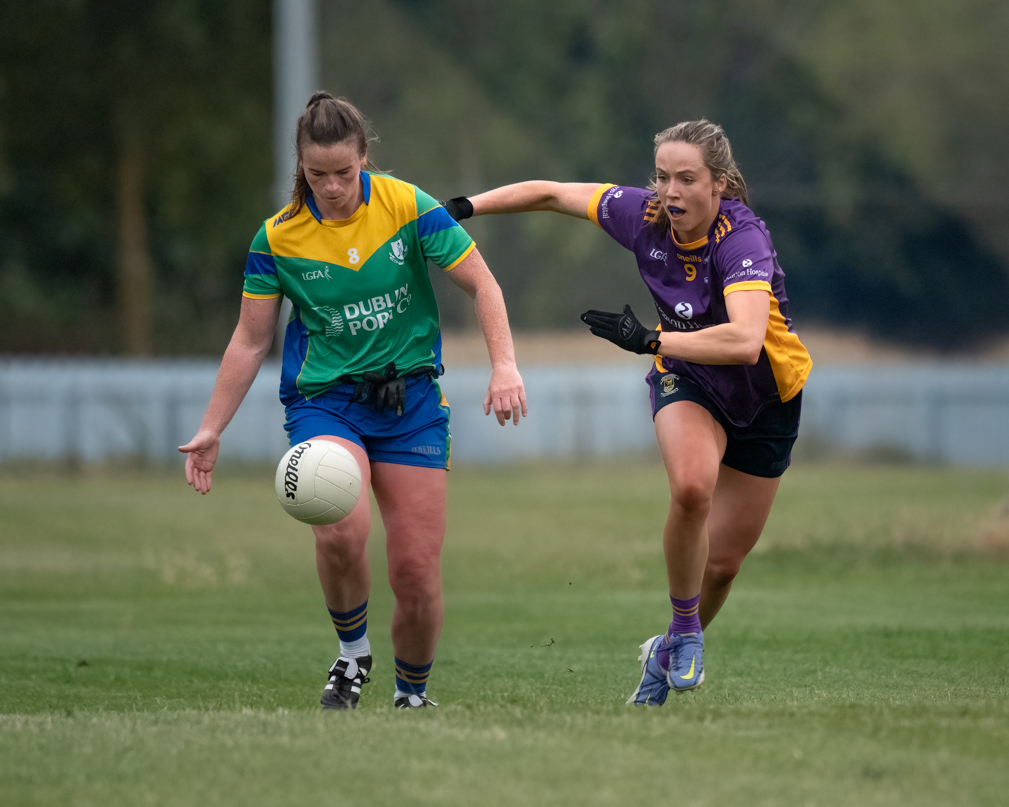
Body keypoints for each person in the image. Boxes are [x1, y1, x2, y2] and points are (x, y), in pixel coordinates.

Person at [443, 119, 810, 704]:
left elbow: (743, 341)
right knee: (692, 489)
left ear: (719, 184)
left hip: (767, 397)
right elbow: (550, 192)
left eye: (687, 179)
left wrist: (650, 340)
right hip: (687, 381)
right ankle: (687, 630)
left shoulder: (742, 240)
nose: (672, 191)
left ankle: (664, 651)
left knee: (724, 565)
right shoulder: (643, 218)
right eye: (663, 177)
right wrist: (460, 207)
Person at [180, 93, 527, 710]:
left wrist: (505, 364)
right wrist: (212, 429)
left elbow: (482, 283)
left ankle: (412, 694)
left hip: (411, 403)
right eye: (318, 176)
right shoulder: (278, 238)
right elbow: (250, 338)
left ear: (365, 157)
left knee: (416, 572)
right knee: (341, 527)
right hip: (325, 402)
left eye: (345, 173)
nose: (334, 187)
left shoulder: (407, 206)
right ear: (301, 168)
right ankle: (352, 653)